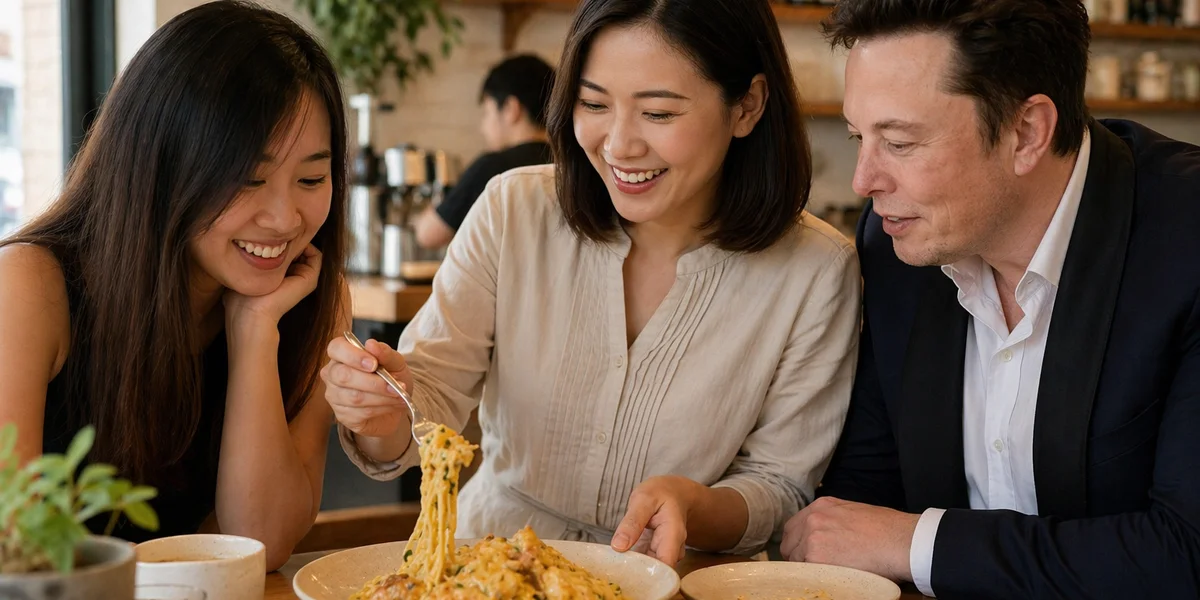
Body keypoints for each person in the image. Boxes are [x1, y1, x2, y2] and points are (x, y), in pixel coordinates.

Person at [323, 0, 860, 566]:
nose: (619, 144)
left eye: (658, 113)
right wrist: (380, 414)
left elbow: (779, 484)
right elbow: (425, 402)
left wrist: (695, 505)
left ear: (747, 106)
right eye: (593, 103)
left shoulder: (817, 269)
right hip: (490, 565)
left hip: (677, 575)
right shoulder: (514, 210)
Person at [780, 1, 1200, 598]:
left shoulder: (1186, 240)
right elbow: (864, 493)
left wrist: (915, 544)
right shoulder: (899, 240)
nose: (863, 181)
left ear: (1026, 132)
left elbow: (1186, 553)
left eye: (899, 142)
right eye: (857, 136)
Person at [0, 1, 349, 571]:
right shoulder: (29, 288)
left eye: (312, 178)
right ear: (160, 167)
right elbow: (13, 551)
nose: (285, 218)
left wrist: (255, 330)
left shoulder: (310, 302)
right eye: (247, 179)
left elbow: (259, 544)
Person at [413, 54, 555, 249]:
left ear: (510, 109)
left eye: (487, 113)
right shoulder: (573, 163)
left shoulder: (492, 168)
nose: (483, 127)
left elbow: (428, 235)